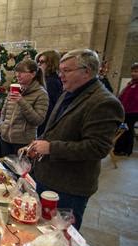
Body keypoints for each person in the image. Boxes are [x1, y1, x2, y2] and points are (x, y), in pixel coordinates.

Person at [30, 49, 124, 230]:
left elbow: (98, 147)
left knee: (61, 239)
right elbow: (54, 129)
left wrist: (51, 148)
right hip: (47, 176)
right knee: (40, 230)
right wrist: (37, 143)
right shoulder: (68, 93)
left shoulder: (104, 102)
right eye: (60, 70)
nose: (60, 75)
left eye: (66, 70)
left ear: (86, 71)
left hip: (69, 186)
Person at [0, 59, 49, 155]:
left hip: (23, 143)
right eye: (17, 71)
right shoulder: (15, 89)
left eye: (22, 72)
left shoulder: (41, 94)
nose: (18, 75)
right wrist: (1, 126)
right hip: (5, 139)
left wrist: (21, 101)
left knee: (21, 170)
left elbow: (38, 120)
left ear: (33, 74)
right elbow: (3, 111)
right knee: (4, 169)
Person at [36, 50, 63, 136]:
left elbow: (50, 108)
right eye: (38, 62)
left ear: (51, 63)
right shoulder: (46, 79)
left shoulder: (51, 82)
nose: (38, 64)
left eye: (42, 62)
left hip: (45, 124)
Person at [114, 62, 138, 156]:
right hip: (125, 110)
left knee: (127, 129)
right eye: (133, 71)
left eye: (136, 71)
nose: (133, 73)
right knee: (123, 128)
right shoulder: (131, 83)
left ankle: (126, 150)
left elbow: (135, 99)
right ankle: (119, 148)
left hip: (133, 111)